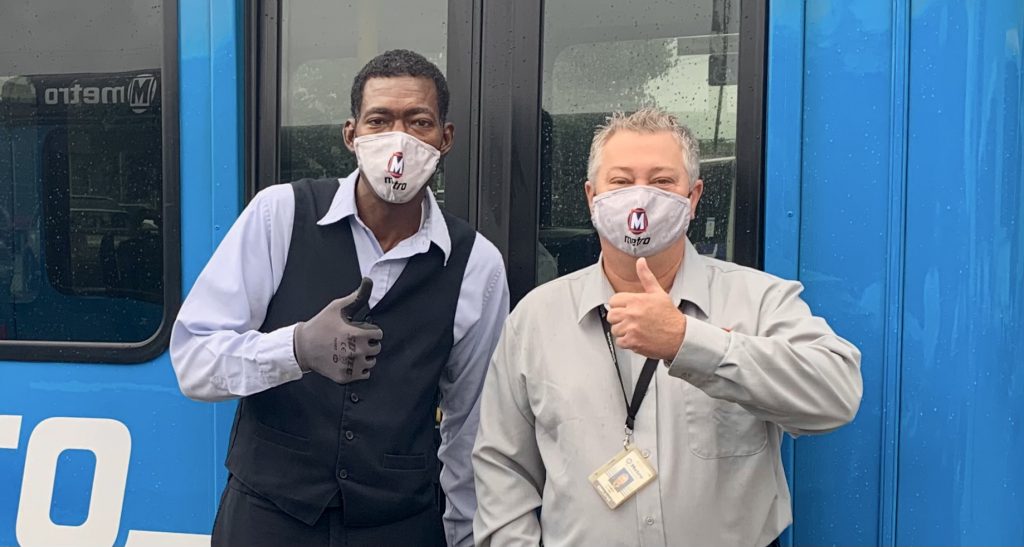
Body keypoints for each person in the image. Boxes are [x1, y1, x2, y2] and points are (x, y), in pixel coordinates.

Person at [472, 107, 862, 547]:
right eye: (621, 181)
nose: (640, 198)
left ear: (693, 197)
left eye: (661, 182)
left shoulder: (758, 300)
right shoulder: (537, 318)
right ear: (591, 195)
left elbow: (837, 396)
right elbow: (502, 466)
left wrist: (689, 343)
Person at [170, 49, 509, 547]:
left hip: (399, 526)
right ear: (351, 135)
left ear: (445, 138)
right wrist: (296, 348)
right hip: (269, 518)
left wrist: (466, 536)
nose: (399, 139)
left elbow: (472, 424)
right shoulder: (279, 216)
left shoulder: (476, 263)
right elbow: (194, 361)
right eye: (379, 120)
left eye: (419, 122)